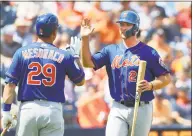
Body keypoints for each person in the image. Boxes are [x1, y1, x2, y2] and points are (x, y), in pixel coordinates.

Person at [80, 10, 171, 136]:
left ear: (136, 27)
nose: (122, 27)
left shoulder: (149, 52)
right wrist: (85, 39)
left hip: (141, 107)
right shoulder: (111, 50)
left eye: (126, 24)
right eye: (121, 24)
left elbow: (166, 77)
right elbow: (87, 63)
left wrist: (151, 85)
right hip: (118, 106)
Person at [1, 13, 85, 136]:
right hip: (52, 110)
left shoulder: (21, 53)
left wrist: (6, 112)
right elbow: (80, 81)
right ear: (54, 32)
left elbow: (10, 86)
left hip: (28, 109)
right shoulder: (64, 55)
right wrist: (76, 57)